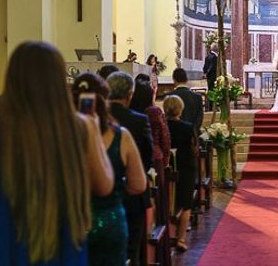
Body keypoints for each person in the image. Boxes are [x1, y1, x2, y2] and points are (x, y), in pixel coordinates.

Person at [0, 41, 114, 264]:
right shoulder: (81, 125)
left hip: (8, 243)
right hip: (66, 245)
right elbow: (104, 186)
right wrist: (93, 130)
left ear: (12, 76)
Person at [72, 73, 146, 266]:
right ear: (105, 99)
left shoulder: (59, 136)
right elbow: (138, 185)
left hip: (71, 222)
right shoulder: (121, 136)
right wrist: (118, 190)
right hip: (110, 221)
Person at [106, 71, 153, 266]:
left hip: (98, 198)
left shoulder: (91, 119)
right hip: (132, 196)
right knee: (130, 250)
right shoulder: (139, 120)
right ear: (130, 94)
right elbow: (147, 157)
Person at [163, 95, 198, 254]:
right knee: (185, 204)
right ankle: (181, 239)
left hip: (166, 169)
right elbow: (194, 149)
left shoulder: (161, 127)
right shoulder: (188, 127)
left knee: (166, 202)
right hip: (185, 168)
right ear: (180, 109)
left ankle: (166, 236)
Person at [169, 68, 204, 133]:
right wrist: (193, 133)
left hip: (175, 135)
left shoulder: (170, 97)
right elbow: (199, 118)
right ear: (186, 80)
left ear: (174, 80)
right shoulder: (197, 97)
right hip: (193, 135)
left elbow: (168, 119)